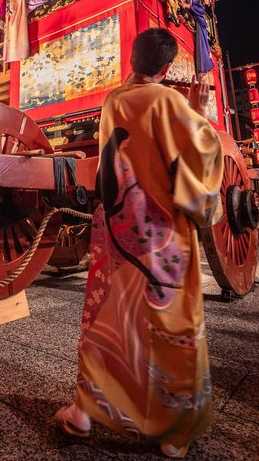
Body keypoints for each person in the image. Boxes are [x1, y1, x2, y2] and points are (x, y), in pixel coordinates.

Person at [55, 28, 224, 459]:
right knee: (173, 325)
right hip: (165, 237)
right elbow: (201, 155)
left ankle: (84, 411)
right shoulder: (169, 102)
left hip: (119, 231)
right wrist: (200, 112)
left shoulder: (114, 101)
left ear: (132, 59)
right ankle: (172, 431)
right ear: (166, 68)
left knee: (111, 314)